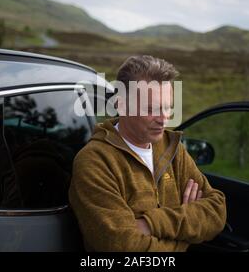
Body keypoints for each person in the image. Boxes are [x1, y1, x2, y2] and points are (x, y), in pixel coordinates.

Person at [69, 55, 226, 251]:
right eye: (151, 108)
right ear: (121, 104)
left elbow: (216, 212)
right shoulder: (95, 162)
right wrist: (185, 236)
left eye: (168, 107)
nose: (164, 119)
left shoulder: (173, 149)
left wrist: (150, 223)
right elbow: (123, 246)